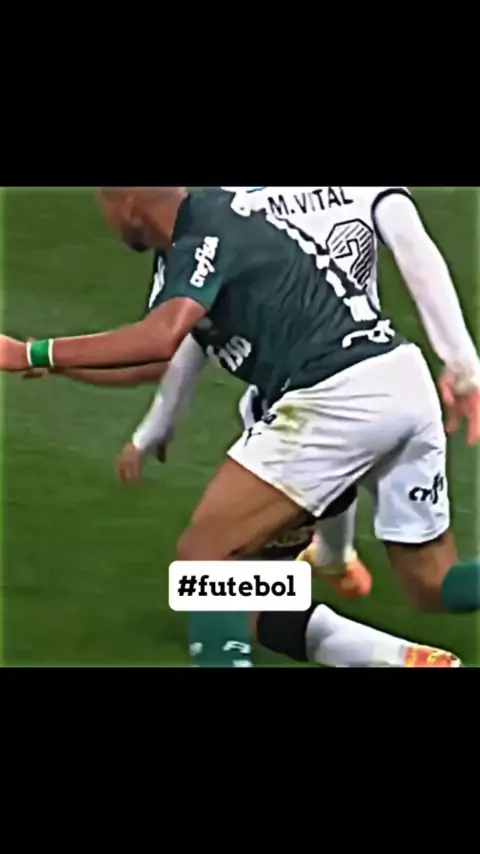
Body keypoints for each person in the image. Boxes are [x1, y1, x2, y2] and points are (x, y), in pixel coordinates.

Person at [2, 186, 479, 670]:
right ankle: (395, 659)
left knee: (204, 558)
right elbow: (154, 361)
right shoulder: (189, 244)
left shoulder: (206, 227)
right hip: (399, 380)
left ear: (127, 206)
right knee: (431, 584)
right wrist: (51, 361)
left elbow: (159, 338)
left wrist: (30, 353)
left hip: (338, 394)